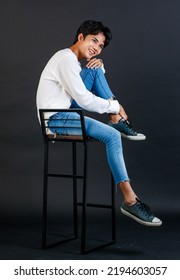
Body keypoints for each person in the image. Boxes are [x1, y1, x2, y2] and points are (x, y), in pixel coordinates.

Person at [36, 20, 162, 226]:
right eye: (93, 40)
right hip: (56, 120)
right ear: (80, 37)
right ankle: (130, 200)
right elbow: (84, 100)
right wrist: (115, 106)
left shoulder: (72, 61)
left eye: (101, 45)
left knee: (95, 68)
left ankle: (116, 118)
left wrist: (101, 71)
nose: (96, 47)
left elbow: (80, 97)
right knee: (112, 136)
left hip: (66, 111)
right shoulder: (66, 60)